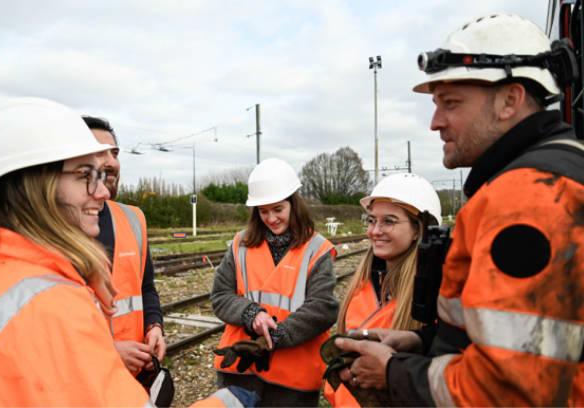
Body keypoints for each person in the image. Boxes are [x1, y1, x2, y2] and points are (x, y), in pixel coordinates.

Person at [334, 13, 584, 406]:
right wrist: (420, 341)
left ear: (510, 100)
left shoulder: (529, 197)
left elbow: (508, 390)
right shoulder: (554, 175)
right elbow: (523, 341)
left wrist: (392, 372)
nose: (435, 123)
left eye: (450, 104)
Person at [0, 97, 149, 406]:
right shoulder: (49, 302)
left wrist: (81, 266)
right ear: (37, 185)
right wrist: (228, 401)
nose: (102, 192)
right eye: (85, 175)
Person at [210, 158, 339, 407]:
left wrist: (277, 335)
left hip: (292, 380)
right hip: (240, 371)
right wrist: (251, 314)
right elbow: (220, 296)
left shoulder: (316, 249)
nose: (271, 218)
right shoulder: (240, 244)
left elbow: (323, 307)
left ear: (293, 204)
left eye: (278, 209)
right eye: (263, 211)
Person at [323, 173, 441, 407]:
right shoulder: (362, 283)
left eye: (389, 221)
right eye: (371, 220)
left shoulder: (436, 295)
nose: (375, 231)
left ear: (418, 230)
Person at [82, 115, 166, 374]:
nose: (111, 162)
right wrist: (105, 353)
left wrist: (154, 326)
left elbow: (146, 287)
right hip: (82, 379)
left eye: (114, 153)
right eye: (98, 152)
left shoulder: (133, 218)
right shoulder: (53, 228)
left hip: (134, 375)